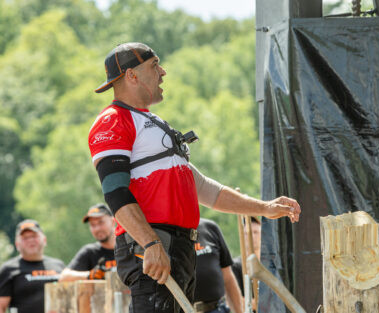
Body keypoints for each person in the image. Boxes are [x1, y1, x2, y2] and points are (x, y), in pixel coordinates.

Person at [88, 42, 301, 313]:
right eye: (154, 65)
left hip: (177, 247)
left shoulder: (152, 122)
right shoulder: (113, 120)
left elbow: (203, 188)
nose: (163, 72)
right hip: (154, 244)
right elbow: (115, 192)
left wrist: (264, 208)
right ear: (132, 75)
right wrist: (150, 242)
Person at [0, 220, 65, 313]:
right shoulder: (9, 269)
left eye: (34, 236)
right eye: (25, 238)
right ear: (17, 244)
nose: (30, 240)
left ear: (44, 240)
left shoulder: (59, 265)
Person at [193, 218, 242, 313]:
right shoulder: (163, 235)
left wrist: (239, 311)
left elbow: (228, 278)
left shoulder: (210, 227)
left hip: (216, 309)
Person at [59, 204, 116, 282]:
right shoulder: (90, 251)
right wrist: (90, 275)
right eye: (92, 225)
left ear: (113, 222)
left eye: (101, 222)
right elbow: (64, 277)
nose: (97, 228)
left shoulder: (128, 247)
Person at [231, 216, 261, 298]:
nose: (252, 236)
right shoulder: (235, 266)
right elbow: (237, 300)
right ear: (242, 236)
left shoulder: (269, 264)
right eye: (247, 233)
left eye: (255, 232)